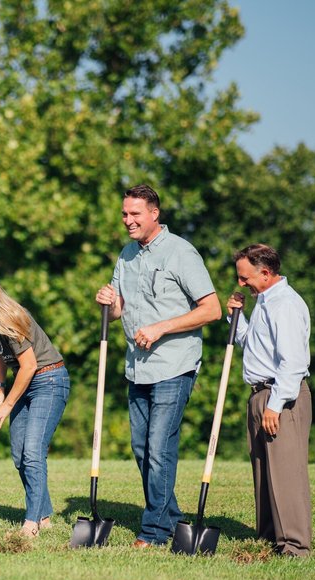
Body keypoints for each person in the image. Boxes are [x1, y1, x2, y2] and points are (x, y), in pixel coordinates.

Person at [95, 184, 221, 548]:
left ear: (154, 213)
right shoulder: (127, 254)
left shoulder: (181, 252)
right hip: (137, 367)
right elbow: (120, 308)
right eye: (124, 214)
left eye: (135, 214)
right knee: (142, 449)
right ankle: (171, 519)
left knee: (158, 448)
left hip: (173, 365)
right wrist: (108, 301)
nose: (127, 220)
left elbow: (210, 309)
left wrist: (162, 327)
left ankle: (154, 531)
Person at [0, 270, 71, 538]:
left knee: (33, 452)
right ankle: (43, 515)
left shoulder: (9, 316)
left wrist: (8, 405)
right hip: (24, 382)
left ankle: (31, 522)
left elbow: (30, 365)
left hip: (48, 380)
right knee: (19, 455)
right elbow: (1, 352)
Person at [226, 243, 312, 557]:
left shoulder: (285, 305)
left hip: (282, 396)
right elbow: (253, 344)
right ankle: (268, 538)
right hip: (259, 394)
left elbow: (293, 362)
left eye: (244, 277)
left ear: (265, 273)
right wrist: (236, 318)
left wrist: (275, 404)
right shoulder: (264, 301)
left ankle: (293, 545)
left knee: (286, 471)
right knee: (263, 471)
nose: (241, 283)